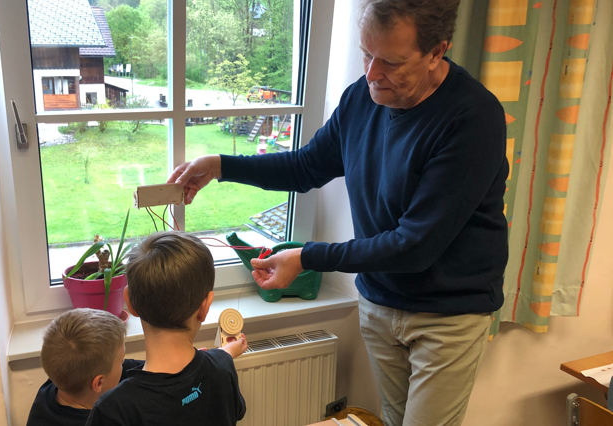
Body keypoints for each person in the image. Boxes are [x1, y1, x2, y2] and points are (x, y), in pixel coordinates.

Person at [167, 1, 509, 425]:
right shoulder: (362, 99)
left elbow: (414, 245)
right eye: (367, 54)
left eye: (391, 62)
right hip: (380, 299)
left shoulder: (473, 118)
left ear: (437, 52)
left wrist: (307, 257)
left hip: (448, 314)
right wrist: (221, 166)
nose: (372, 73)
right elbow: (306, 167)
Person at [86, 231, 248, 426]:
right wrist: (224, 355)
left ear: (129, 302)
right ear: (205, 307)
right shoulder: (223, 370)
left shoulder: (113, 410)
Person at [26, 308, 143, 426]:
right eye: (121, 361)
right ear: (98, 383)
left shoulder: (60, 378)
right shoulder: (102, 421)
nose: (123, 363)